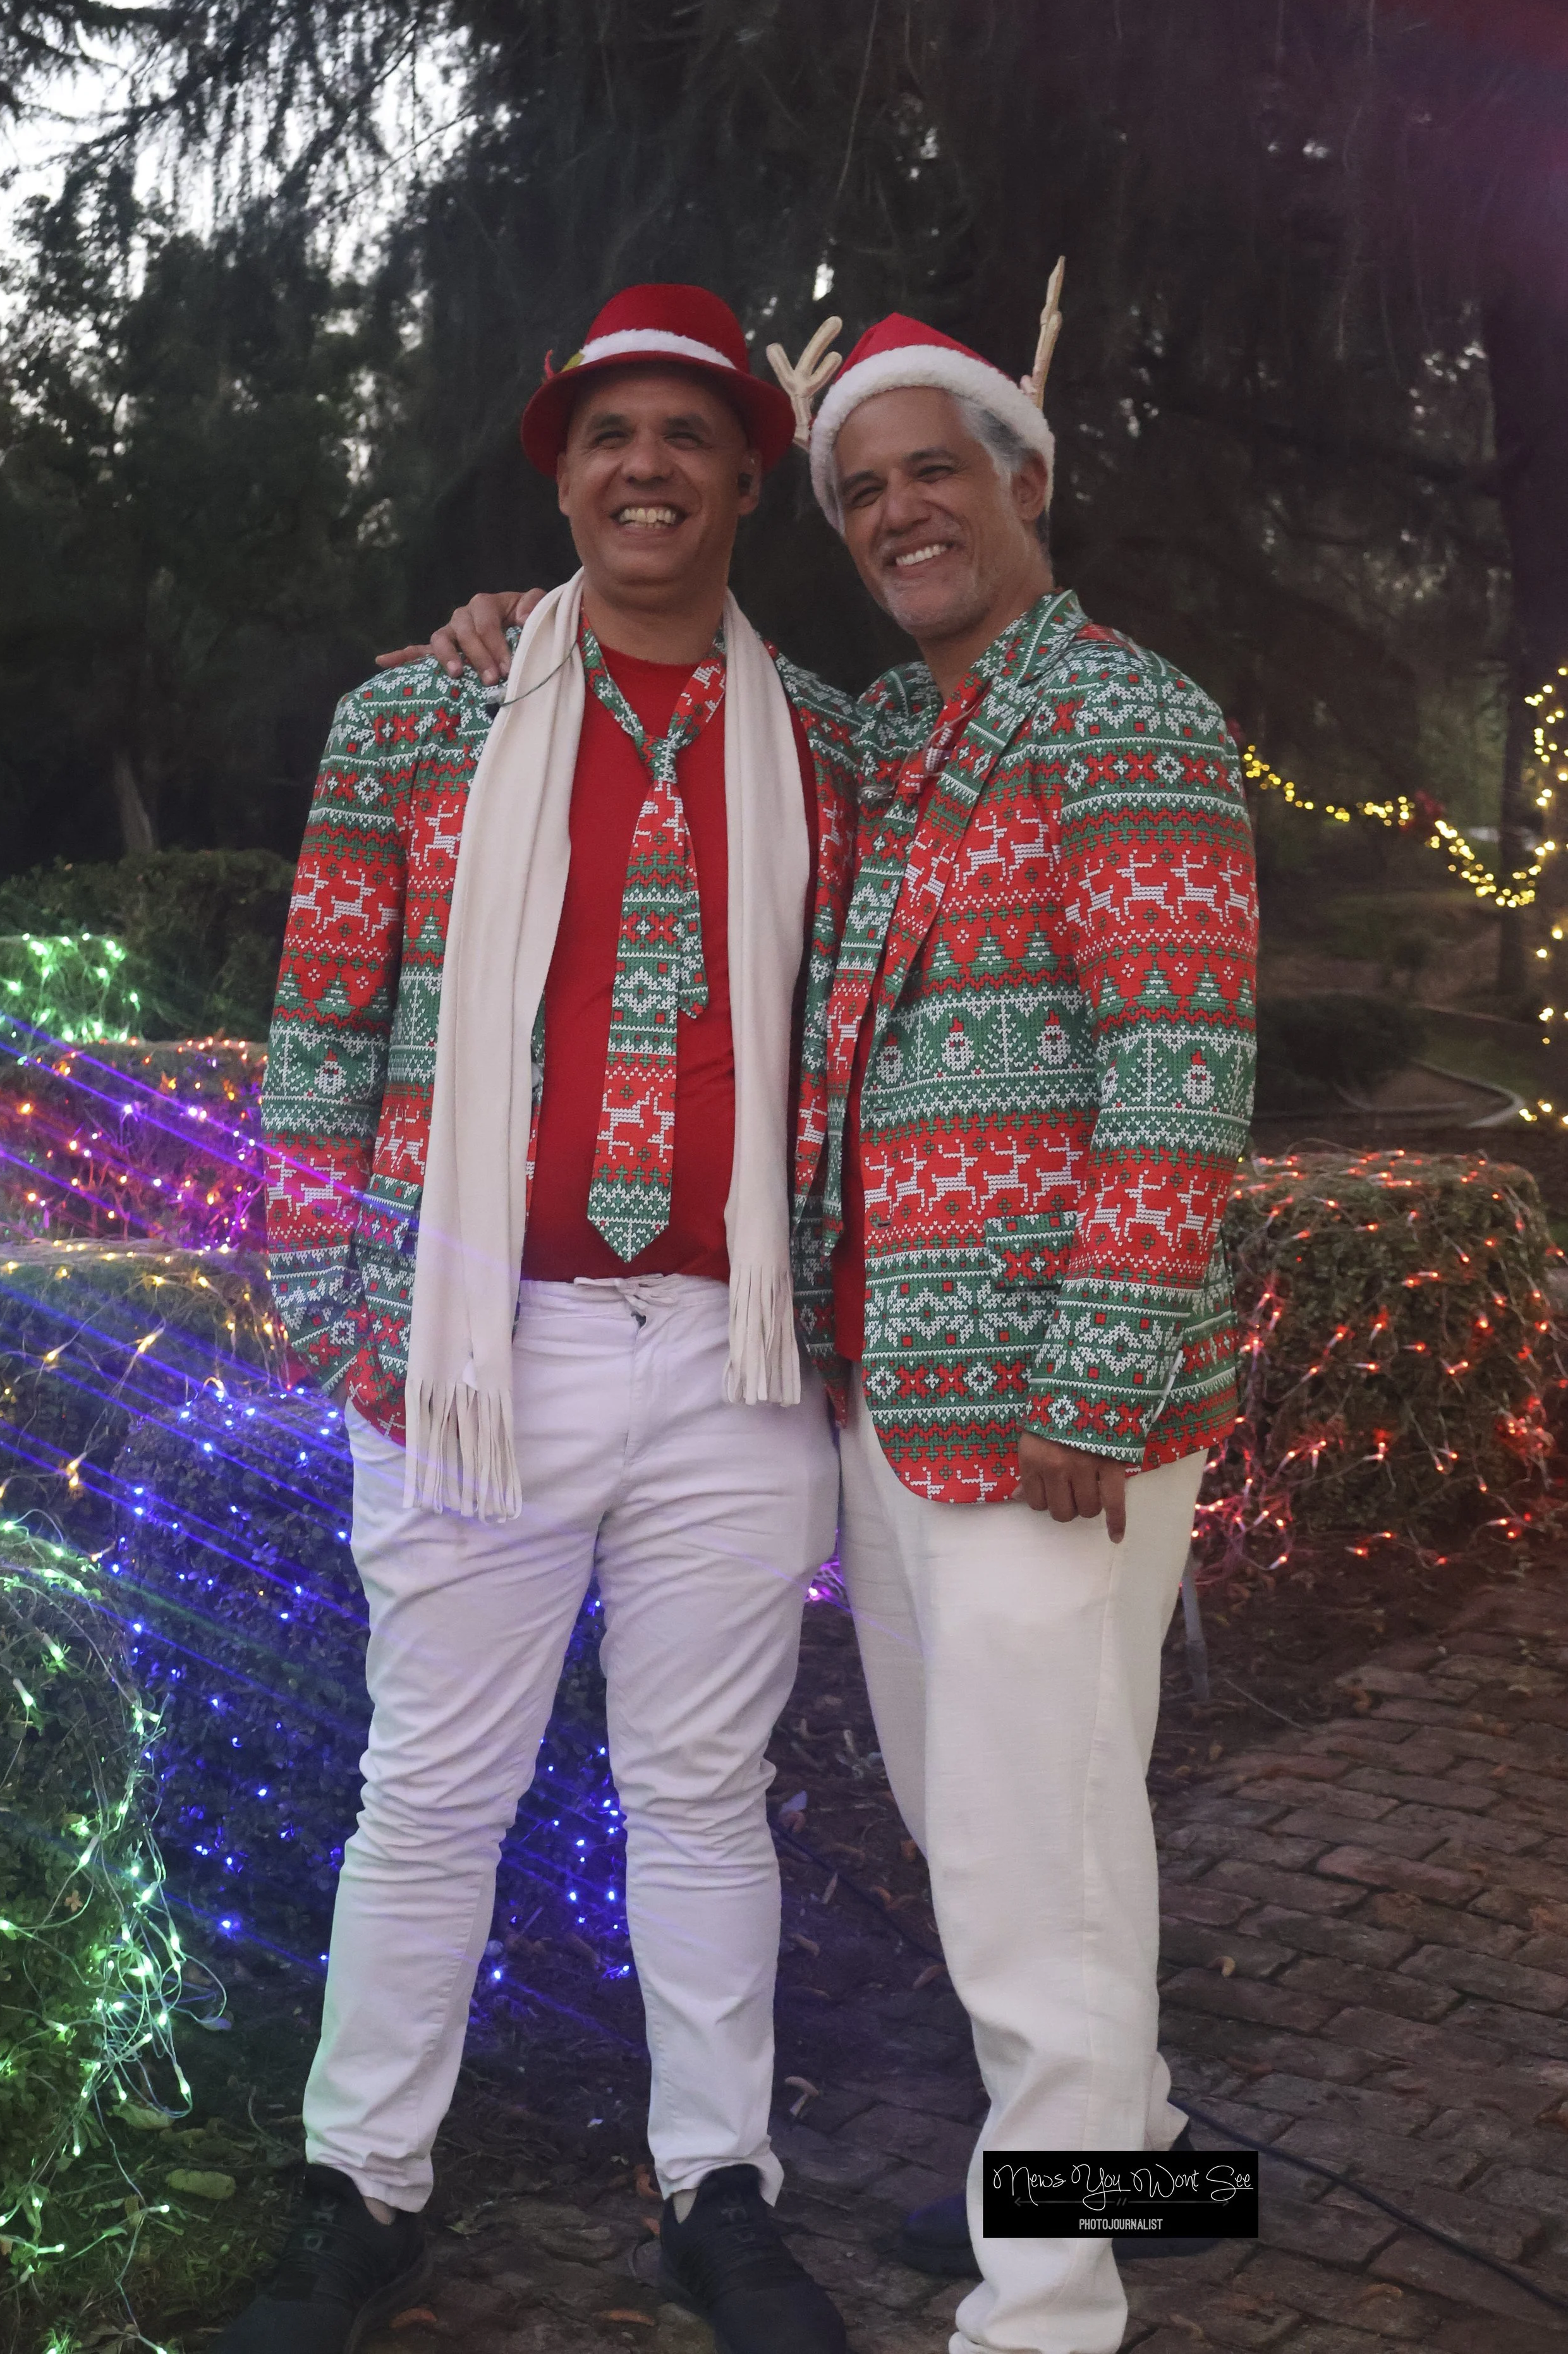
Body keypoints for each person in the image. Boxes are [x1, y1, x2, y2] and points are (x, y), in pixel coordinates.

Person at [416, 302, 1258, 2354]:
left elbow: (1181, 1059)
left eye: (934, 472)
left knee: (1019, 1856)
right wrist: (515, 630)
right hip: (896, 1387)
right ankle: (1137, 2163)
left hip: (1055, 1407)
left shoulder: (1124, 716)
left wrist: (1098, 1374)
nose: (896, 513)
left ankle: (1048, 2303)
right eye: (861, 487)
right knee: (1047, 1809)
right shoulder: (892, 735)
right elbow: (703, 702)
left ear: (1024, 484)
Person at [231, 285, 862, 2354]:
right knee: (433, 1786)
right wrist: (338, 1303)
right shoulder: (414, 720)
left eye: (689, 433)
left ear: (749, 477)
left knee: (700, 1789)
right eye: (610, 434)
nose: (647, 467)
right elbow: (321, 1028)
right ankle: (364, 2194)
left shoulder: (831, 749)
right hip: (466, 1336)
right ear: (559, 467)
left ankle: (715, 2194)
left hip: (731, 1359)